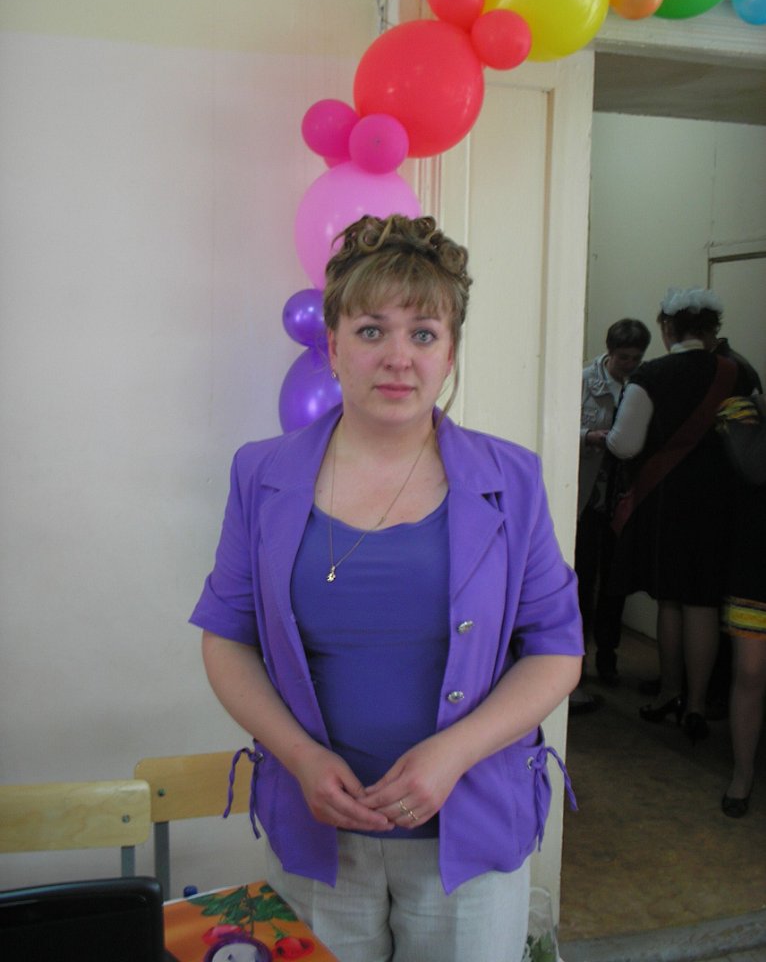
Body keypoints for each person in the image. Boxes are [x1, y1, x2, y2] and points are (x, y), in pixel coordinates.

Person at [188, 214, 583, 962]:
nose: (398, 357)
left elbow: (557, 651)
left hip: (470, 834)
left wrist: (453, 754)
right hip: (317, 834)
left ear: (450, 352)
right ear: (333, 346)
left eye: (423, 334)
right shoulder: (261, 474)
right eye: (372, 330)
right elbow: (226, 639)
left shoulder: (513, 479)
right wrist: (301, 759)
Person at [606, 287, 752, 744]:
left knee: (670, 600)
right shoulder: (738, 372)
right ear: (711, 330)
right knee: (703, 602)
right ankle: (697, 704)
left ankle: (670, 691)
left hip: (667, 499)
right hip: (721, 503)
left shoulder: (652, 374)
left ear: (668, 328)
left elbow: (624, 444)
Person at [574, 318, 650, 695]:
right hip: (588, 497)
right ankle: (577, 660)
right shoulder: (584, 381)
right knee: (583, 580)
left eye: (636, 358)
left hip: (623, 499)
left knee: (615, 584)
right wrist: (589, 436)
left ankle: (608, 656)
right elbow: (558, 428)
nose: (630, 364)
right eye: (624, 358)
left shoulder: (643, 384)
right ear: (609, 352)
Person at [717, 393, 766, 818]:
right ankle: (743, 771)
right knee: (749, 670)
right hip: (755, 563)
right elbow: (754, 468)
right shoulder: (742, 411)